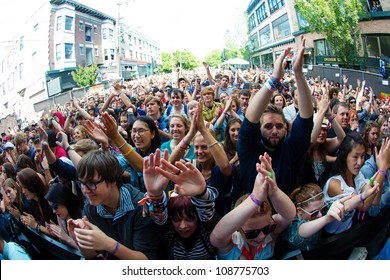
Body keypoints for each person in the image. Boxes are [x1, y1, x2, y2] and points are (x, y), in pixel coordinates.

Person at [238, 36, 314, 195]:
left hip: (283, 218)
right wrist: (274, 79)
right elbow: (250, 119)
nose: (274, 130)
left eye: (279, 126)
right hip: (253, 217)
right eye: (268, 126)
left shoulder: (291, 148)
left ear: (286, 129)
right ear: (259, 129)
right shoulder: (249, 149)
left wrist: (298, 73)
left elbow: (306, 117)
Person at [67, 150, 159, 260]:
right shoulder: (90, 207)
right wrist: (79, 238)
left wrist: (109, 244)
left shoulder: (140, 207)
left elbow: (146, 260)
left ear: (112, 180)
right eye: (82, 183)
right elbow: (91, 255)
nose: (85, 190)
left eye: (91, 183)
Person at [210, 153, 295, 260]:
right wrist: (255, 198)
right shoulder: (231, 242)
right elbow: (216, 238)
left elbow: (289, 216)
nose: (261, 236)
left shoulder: (270, 235)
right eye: (252, 233)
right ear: (237, 228)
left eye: (267, 228)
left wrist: (274, 191)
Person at [141, 149, 219, 259]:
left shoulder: (207, 231)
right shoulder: (170, 232)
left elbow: (209, 218)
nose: (182, 226)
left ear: (198, 217)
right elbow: (161, 222)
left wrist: (202, 194)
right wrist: (155, 195)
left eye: (190, 218)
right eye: (176, 219)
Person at [322, 133, 380, 234]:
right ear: (344, 156)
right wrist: (382, 169)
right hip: (331, 239)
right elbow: (363, 206)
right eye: (355, 157)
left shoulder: (357, 176)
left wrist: (373, 186)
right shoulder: (334, 183)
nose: (360, 162)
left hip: (347, 233)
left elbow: (374, 201)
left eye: (362, 156)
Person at [282, 183, 348, 251]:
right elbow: (301, 231)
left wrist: (359, 197)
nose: (320, 215)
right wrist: (326, 219)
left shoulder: (320, 211)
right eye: (314, 213)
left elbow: (345, 208)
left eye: (323, 209)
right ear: (299, 211)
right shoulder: (292, 224)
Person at [17, 168, 56, 237]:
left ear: (32, 185)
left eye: (25, 187)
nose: (23, 191)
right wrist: (31, 221)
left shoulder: (49, 203)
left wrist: (36, 225)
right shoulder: (34, 204)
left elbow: (57, 233)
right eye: (21, 188)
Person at [45, 183, 83, 249]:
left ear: (64, 201)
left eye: (55, 207)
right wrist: (58, 233)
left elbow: (87, 252)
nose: (54, 211)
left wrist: (66, 238)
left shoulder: (81, 219)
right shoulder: (60, 217)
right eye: (51, 208)